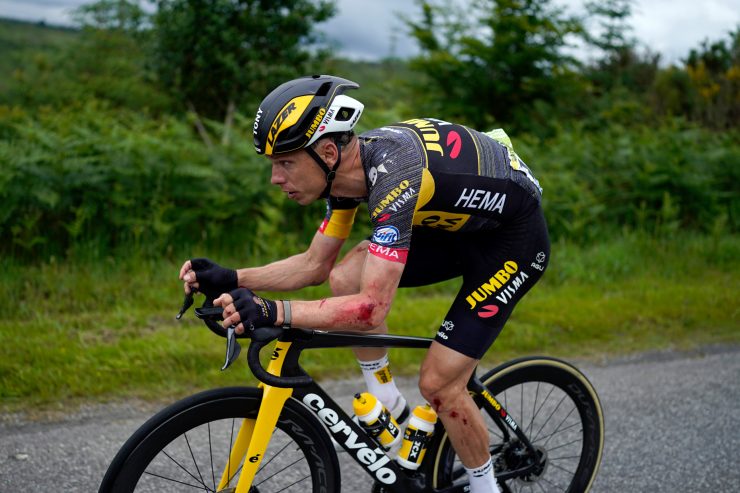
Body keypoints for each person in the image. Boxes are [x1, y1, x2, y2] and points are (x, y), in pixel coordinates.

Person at [179, 75, 549, 493]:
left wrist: (271, 310)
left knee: (439, 384)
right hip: (458, 228)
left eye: (284, 163)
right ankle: (388, 400)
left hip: (510, 241)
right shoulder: (344, 177)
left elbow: (372, 308)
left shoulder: (395, 177)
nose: (275, 179)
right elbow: (315, 265)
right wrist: (233, 277)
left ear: (328, 151)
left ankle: (487, 489)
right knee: (343, 275)